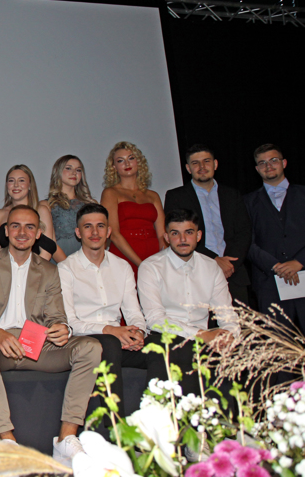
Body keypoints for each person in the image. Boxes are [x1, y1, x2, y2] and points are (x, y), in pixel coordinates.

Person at [0, 205, 100, 467]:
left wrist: (62, 329)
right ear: (6, 231)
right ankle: (7, 440)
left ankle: (66, 438)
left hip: (39, 345)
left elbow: (57, 317)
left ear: (38, 233)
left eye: (30, 227)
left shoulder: (49, 270)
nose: (22, 232)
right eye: (15, 226)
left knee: (91, 347)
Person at [137, 208, 238, 395]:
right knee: (181, 349)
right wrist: (201, 335)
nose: (182, 239)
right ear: (167, 237)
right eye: (175, 233)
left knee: (249, 350)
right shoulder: (151, 267)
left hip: (205, 336)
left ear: (198, 236)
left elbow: (226, 313)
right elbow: (155, 319)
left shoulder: (211, 267)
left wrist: (229, 336)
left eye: (189, 232)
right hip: (166, 335)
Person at [58, 203, 147, 403]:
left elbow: (134, 313)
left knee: (162, 348)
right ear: (78, 233)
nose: (95, 232)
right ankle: (114, 420)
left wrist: (138, 332)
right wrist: (110, 331)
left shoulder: (122, 266)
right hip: (84, 340)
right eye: (88, 226)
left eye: (100, 226)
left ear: (108, 231)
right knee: (109, 343)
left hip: (119, 340)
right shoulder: (66, 269)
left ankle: (163, 415)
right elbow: (70, 323)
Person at [164, 145, 251, 306]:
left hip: (233, 273)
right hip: (196, 273)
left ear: (215, 164)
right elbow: (179, 236)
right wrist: (214, 261)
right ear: (188, 168)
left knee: (240, 322)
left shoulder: (232, 194)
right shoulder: (176, 196)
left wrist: (229, 264)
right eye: (195, 163)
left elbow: (244, 232)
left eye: (206, 161)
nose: (202, 167)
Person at [244, 144, 305, 340]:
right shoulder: (246, 202)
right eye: (262, 163)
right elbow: (246, 242)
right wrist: (275, 266)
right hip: (269, 284)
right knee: (278, 347)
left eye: (273, 160)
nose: (268, 166)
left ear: (284, 163)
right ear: (257, 169)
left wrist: (299, 262)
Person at [100, 141, 165, 278]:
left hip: (154, 257)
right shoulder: (110, 193)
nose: (127, 163)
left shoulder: (153, 196)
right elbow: (114, 234)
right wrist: (141, 264)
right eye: (120, 160)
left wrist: (162, 261)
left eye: (131, 158)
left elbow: (162, 235)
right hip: (124, 257)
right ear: (114, 167)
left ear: (138, 162)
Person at [0, 164, 61, 261]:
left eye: (21, 180)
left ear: (30, 185)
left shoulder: (42, 211)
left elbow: (47, 252)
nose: (16, 185)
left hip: (37, 268)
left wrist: (29, 270)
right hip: (5, 269)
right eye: (11, 180)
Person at [40, 155, 96, 258]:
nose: (74, 173)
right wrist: (67, 265)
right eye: (68, 168)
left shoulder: (91, 204)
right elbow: (49, 243)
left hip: (87, 260)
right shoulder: (46, 205)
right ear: (58, 171)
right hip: (59, 261)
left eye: (78, 170)